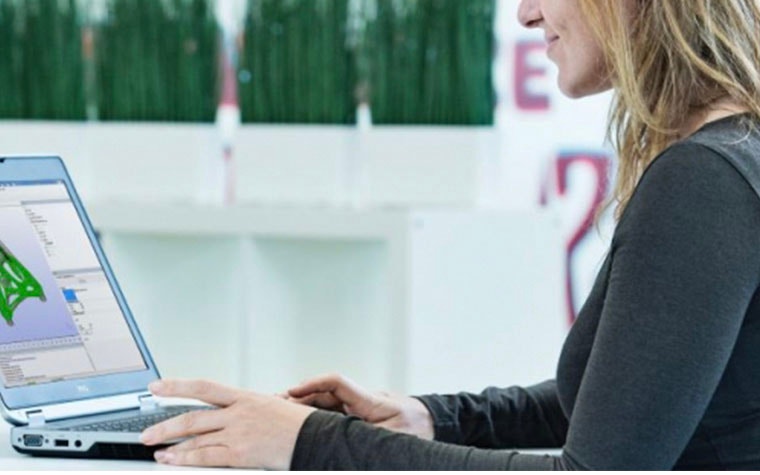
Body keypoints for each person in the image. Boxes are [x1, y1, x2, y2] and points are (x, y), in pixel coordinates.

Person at [139, 0, 760, 469]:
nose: (526, 14)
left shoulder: (703, 182)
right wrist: (434, 418)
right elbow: (635, 405)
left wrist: (305, 442)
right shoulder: (736, 155)